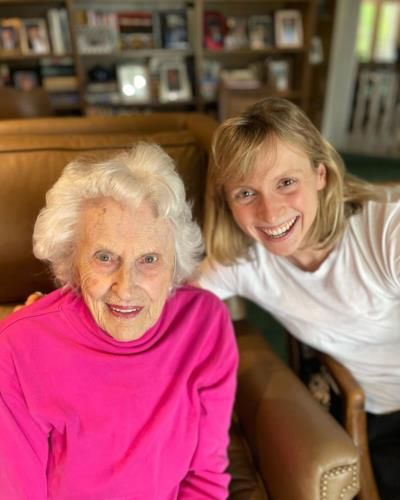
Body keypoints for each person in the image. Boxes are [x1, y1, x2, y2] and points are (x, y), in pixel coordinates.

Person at [0, 143, 238, 499]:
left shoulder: (205, 325)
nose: (126, 288)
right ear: (71, 260)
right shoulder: (17, 350)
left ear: (175, 262)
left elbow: (205, 478)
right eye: (105, 257)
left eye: (149, 259)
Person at [198, 97, 400, 500]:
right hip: (373, 410)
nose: (270, 212)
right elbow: (162, 303)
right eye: (245, 193)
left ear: (319, 174)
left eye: (286, 183)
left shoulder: (384, 232)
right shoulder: (243, 260)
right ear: (227, 201)